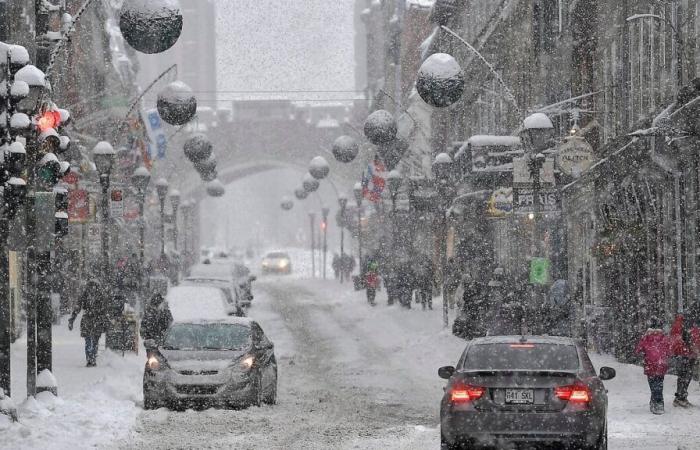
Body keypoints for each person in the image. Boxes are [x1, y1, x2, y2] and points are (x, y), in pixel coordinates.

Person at [635, 317, 671, 414]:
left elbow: (638, 350)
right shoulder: (664, 337)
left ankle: (657, 403)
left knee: (653, 385)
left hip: (650, 364)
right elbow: (669, 351)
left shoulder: (646, 337)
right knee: (659, 384)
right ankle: (658, 403)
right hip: (661, 364)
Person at [68, 280, 109, 367]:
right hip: (97, 320)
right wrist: (105, 322)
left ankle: (89, 358)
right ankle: (92, 358)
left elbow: (77, 308)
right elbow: (104, 311)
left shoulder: (85, 294)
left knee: (88, 341)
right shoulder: (101, 295)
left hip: (87, 319)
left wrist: (72, 320)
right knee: (95, 341)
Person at [670, 313, 700, 407]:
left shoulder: (679, 324)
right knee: (686, 375)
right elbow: (692, 341)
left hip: (683, 354)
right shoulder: (688, 326)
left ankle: (680, 397)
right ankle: (681, 397)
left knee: (683, 375)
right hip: (687, 354)